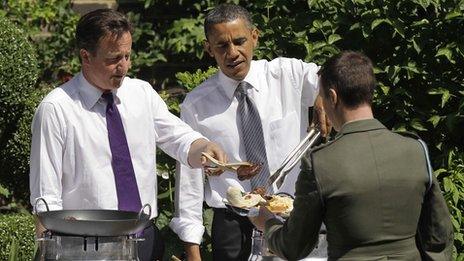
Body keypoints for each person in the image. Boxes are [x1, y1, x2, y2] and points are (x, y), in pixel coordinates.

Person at [29, 9, 227, 261]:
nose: (124, 66)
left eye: (128, 55)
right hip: (85, 248)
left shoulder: (141, 94)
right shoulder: (56, 108)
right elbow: (46, 198)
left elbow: (179, 138)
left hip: (144, 239)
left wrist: (204, 147)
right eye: (114, 59)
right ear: (86, 56)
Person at [250, 51, 454, 260]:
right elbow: (438, 235)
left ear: (333, 96)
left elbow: (293, 246)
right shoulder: (416, 150)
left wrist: (267, 222)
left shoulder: (319, 163)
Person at [169, 4, 329, 260]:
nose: (233, 53)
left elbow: (329, 74)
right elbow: (189, 183)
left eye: (240, 41)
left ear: (255, 36)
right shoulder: (196, 106)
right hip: (232, 226)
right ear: (208, 48)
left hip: (290, 215)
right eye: (221, 45)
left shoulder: (287, 75)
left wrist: (324, 92)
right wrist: (192, 248)